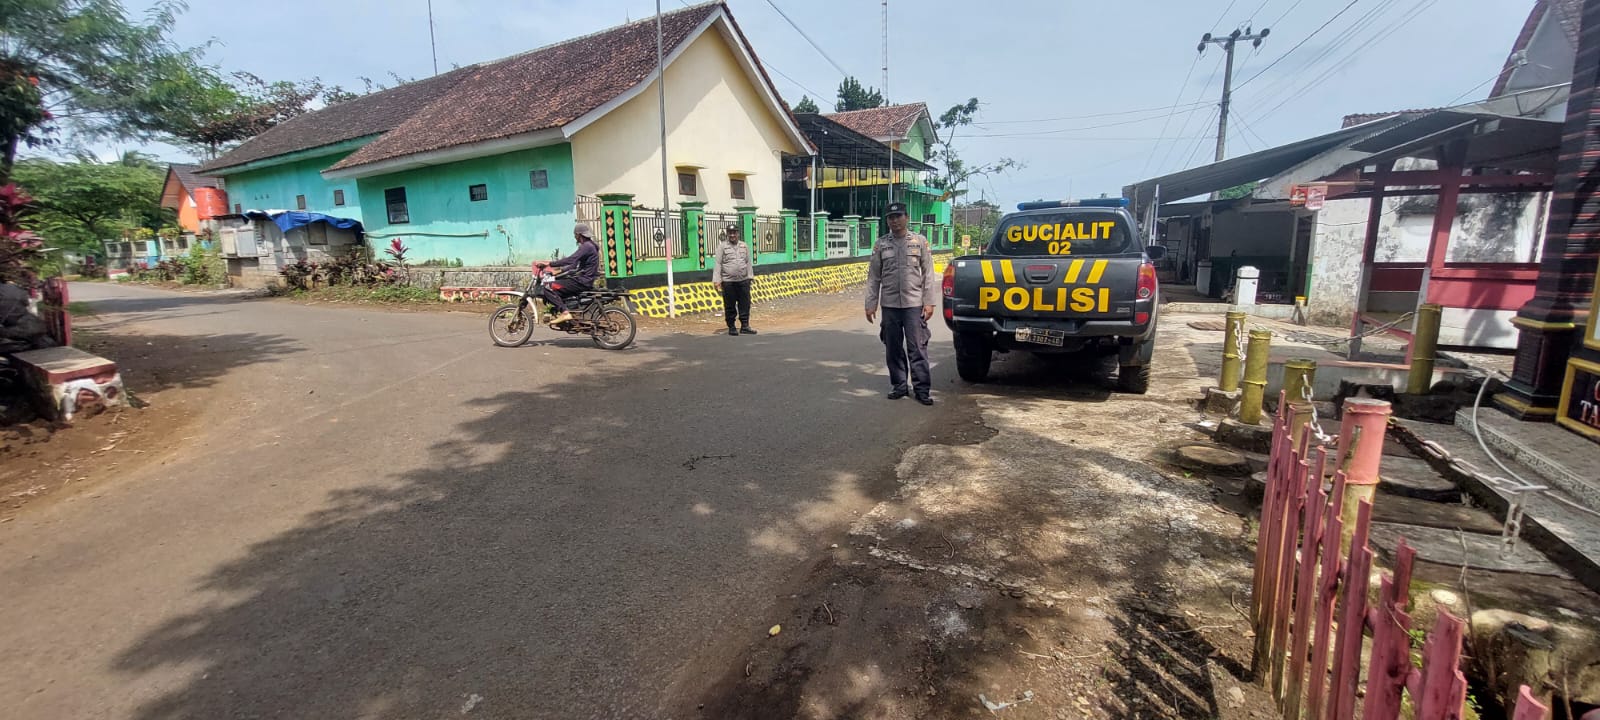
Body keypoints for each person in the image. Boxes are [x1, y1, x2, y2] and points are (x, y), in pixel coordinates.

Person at [865, 202, 938, 405]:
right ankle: (899, 385)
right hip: (889, 305)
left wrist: (929, 301)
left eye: (898, 216)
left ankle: (922, 389)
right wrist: (870, 303)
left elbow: (928, 274)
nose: (894, 220)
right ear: (887, 220)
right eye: (890, 217)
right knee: (893, 347)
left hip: (914, 304)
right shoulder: (881, 244)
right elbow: (874, 277)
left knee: (917, 347)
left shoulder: (919, 242)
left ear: (906, 217)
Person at [539, 223, 601, 326]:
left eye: (575, 235)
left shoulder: (586, 247)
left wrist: (549, 264)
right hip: (584, 279)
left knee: (548, 286)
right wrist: (558, 271)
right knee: (558, 287)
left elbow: (571, 260)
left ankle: (565, 313)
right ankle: (566, 314)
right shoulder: (589, 246)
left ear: (578, 235)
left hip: (582, 281)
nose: (574, 237)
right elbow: (573, 265)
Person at [712, 224, 757, 336]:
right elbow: (718, 264)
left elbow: (748, 262)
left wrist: (750, 277)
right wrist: (717, 280)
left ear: (738, 234)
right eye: (730, 233)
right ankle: (732, 326)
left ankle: (745, 326)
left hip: (743, 281)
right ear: (727, 234)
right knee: (730, 305)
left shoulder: (744, 246)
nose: (732, 235)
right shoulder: (722, 247)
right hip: (728, 282)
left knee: (745, 304)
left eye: (734, 232)